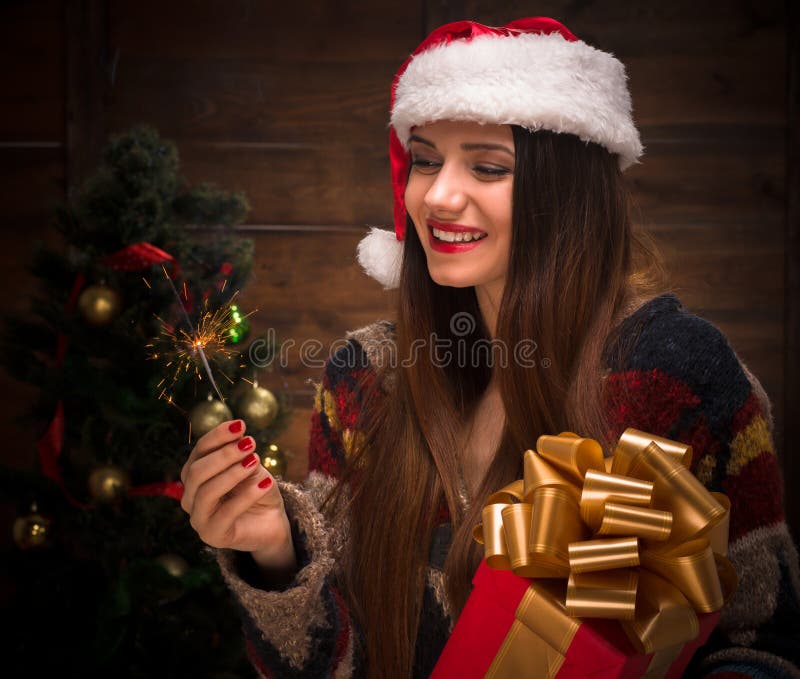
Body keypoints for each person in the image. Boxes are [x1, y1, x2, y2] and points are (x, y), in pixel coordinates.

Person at [180, 17, 800, 679]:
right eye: (424, 159)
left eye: (487, 165)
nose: (439, 196)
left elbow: (760, 645)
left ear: (565, 190)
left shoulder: (678, 372)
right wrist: (275, 554)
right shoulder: (365, 378)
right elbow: (344, 662)